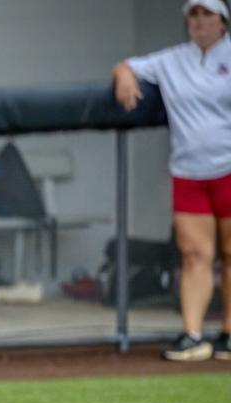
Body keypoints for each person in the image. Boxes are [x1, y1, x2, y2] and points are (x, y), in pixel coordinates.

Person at [113, 0, 231, 361]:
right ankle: (192, 335)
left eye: (207, 14)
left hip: (228, 169)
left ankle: (229, 333)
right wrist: (124, 78)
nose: (200, 21)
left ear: (223, 20)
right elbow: (126, 65)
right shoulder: (172, 60)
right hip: (188, 172)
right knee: (194, 255)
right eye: (194, 14)